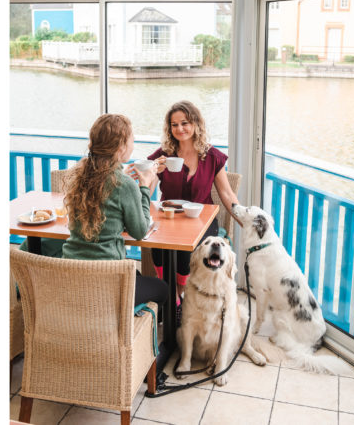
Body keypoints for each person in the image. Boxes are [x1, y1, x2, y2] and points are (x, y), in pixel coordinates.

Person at [62, 114, 168, 313]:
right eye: (132, 141)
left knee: (136, 275)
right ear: (120, 147)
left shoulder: (79, 175)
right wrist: (144, 187)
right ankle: (121, 322)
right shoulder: (124, 185)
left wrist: (124, 179)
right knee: (162, 289)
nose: (133, 145)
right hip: (106, 280)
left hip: (72, 274)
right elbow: (139, 231)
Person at [146, 101, 241, 291]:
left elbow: (226, 193)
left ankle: (178, 296)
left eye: (185, 123)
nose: (180, 128)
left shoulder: (212, 156)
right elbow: (147, 190)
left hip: (202, 221)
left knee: (185, 249)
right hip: (169, 218)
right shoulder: (164, 154)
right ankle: (168, 292)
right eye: (174, 125)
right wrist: (151, 171)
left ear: (196, 124)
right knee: (156, 241)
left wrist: (244, 220)